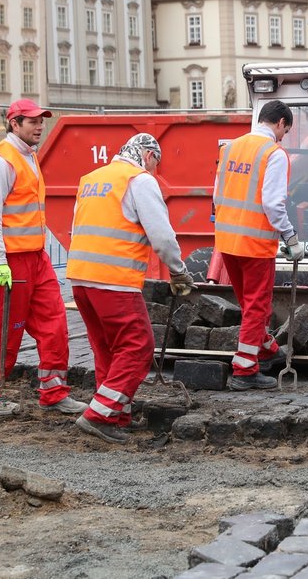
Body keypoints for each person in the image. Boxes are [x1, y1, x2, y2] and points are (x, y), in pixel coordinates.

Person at [67, 133, 195, 444]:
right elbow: (162, 237)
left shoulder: (92, 178)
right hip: (114, 280)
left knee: (107, 349)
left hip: (81, 279)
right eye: (156, 163)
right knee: (138, 346)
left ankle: (115, 415)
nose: (154, 169)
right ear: (149, 155)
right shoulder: (139, 180)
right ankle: (99, 414)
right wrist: (178, 272)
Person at [0, 99, 87, 417]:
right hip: (11, 262)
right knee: (5, 328)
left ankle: (53, 391)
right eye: (33, 122)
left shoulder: (29, 157)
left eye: (41, 121)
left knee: (55, 324)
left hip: (36, 258)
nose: (40, 127)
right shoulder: (1, 163)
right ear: (14, 123)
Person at [213, 99, 300, 390]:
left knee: (248, 303)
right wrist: (290, 236)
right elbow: (273, 205)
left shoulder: (229, 148)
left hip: (227, 241)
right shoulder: (273, 153)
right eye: (285, 131)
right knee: (256, 307)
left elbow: (216, 197)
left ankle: (266, 349)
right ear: (281, 124)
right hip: (255, 244)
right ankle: (245, 369)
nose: (283, 136)